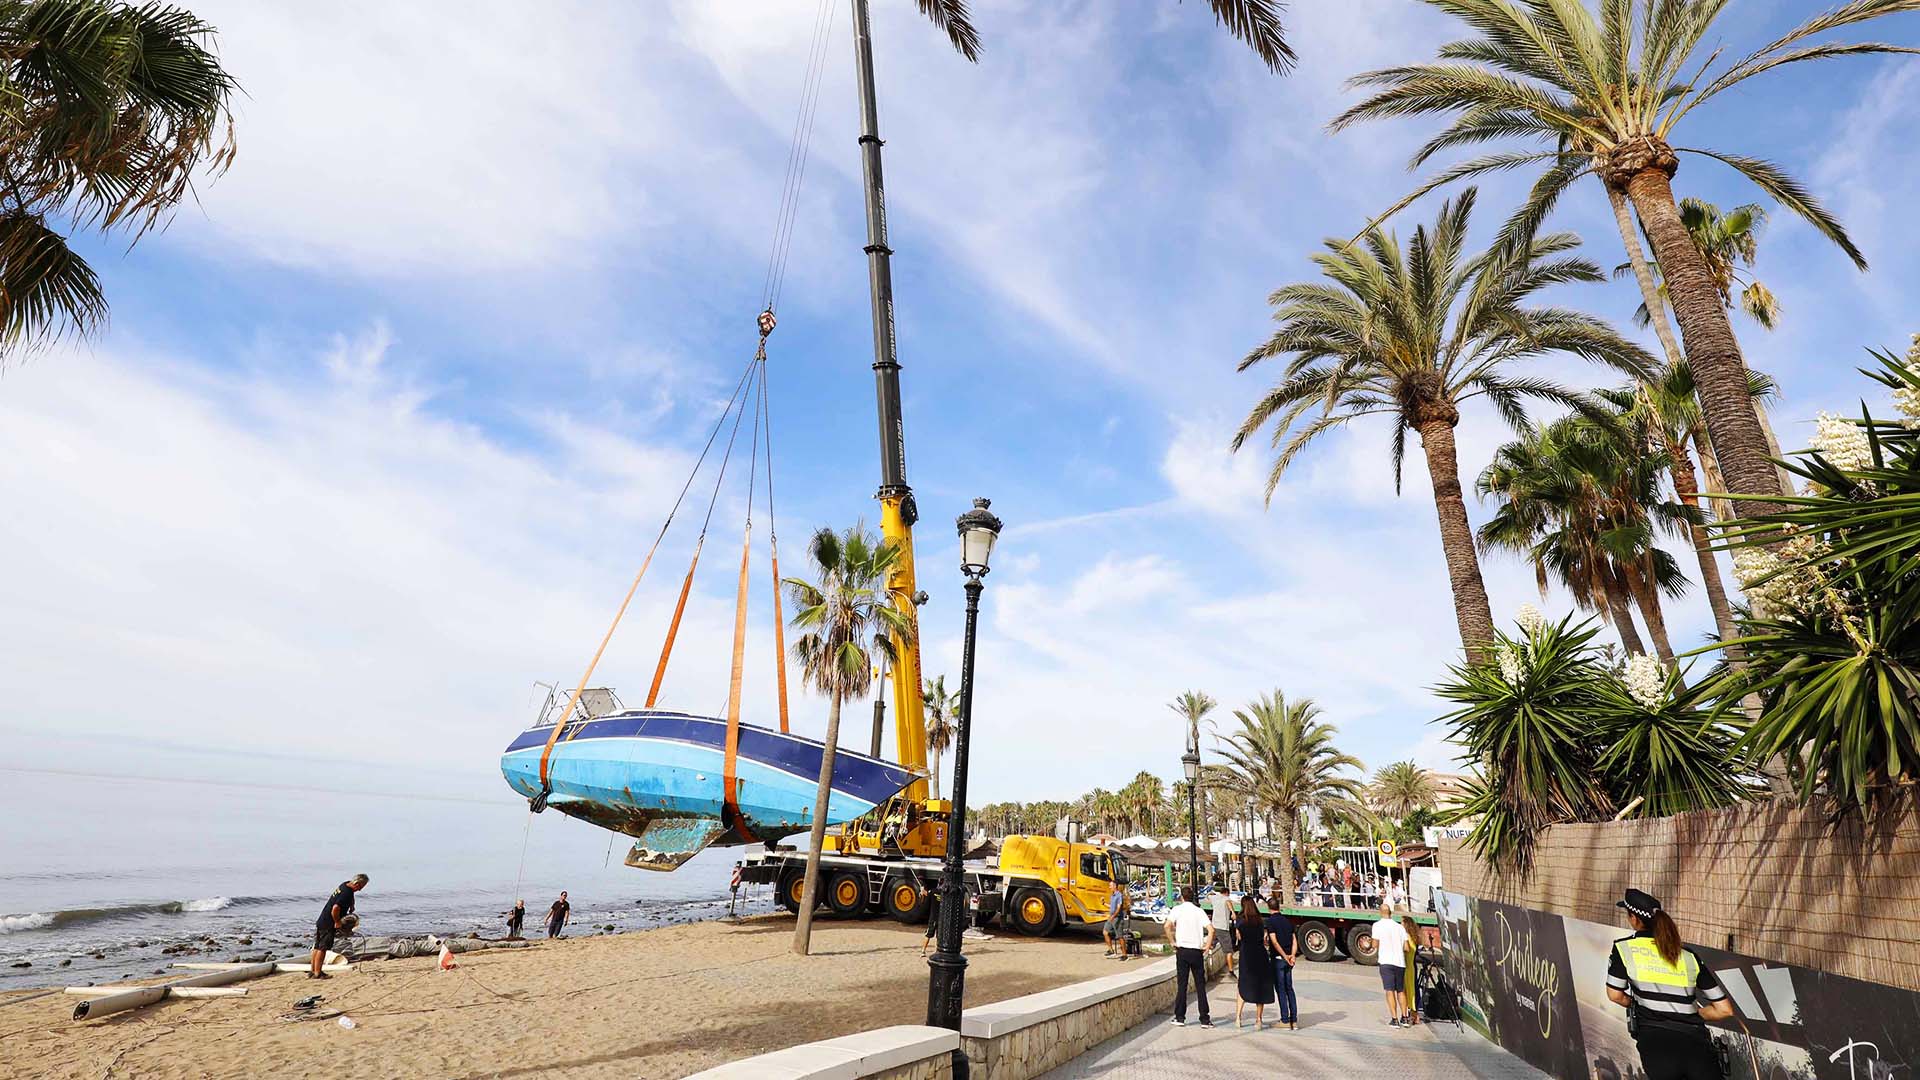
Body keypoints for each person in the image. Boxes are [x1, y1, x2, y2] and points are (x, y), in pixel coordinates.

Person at [1606, 889, 1734, 1079]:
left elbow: (1615, 994)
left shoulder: (1623, 949)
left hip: (1656, 1044)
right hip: (1696, 1044)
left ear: (1634, 919)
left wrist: (1638, 1005)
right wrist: (1691, 1014)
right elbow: (1724, 1010)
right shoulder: (1689, 956)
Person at [1163, 885, 1215, 1028]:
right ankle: (1205, 1019)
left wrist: (1172, 941)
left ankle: (1180, 1017)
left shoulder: (1177, 910)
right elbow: (1211, 930)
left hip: (1182, 950)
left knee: (1182, 985)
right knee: (1200, 986)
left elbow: (1167, 926)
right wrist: (1207, 945)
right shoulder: (1199, 911)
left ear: (1181, 897)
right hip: (1196, 951)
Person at [310, 874, 367, 979]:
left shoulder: (345, 885)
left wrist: (351, 905)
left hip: (322, 920)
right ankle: (318, 973)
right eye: (360, 887)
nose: (359, 890)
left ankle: (313, 970)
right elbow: (335, 908)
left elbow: (350, 895)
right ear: (357, 883)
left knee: (317, 946)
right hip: (329, 922)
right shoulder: (346, 893)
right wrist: (337, 922)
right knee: (323, 948)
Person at [1233, 894, 1275, 1028]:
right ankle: (1258, 1020)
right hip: (1260, 954)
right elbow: (1264, 938)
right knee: (1260, 986)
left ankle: (1238, 1019)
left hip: (1246, 954)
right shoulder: (1260, 921)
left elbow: (1238, 937)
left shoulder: (1240, 921)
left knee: (1243, 985)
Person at [1370, 901, 1413, 1028]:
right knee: (1401, 990)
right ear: (1390, 913)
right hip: (1400, 962)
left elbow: (1374, 944)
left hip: (1386, 962)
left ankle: (1394, 1019)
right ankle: (1405, 1017)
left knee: (1390, 991)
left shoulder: (1377, 925)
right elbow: (1406, 947)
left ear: (1380, 913)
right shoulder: (1400, 927)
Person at [1265, 903, 1299, 1030]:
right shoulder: (1287, 921)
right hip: (1290, 958)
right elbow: (1294, 940)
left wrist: (1284, 956)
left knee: (1281, 989)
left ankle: (1285, 1019)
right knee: (1289, 988)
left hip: (1279, 959)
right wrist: (1292, 955)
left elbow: (1274, 941)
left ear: (1269, 908)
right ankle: (1294, 1020)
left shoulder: (1270, 922)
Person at [1400, 913, 1423, 1025]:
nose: (1400, 924)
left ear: (1406, 925)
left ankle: (1411, 1015)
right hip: (1412, 967)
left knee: (1406, 991)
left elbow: (1406, 949)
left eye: (1402, 923)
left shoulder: (1406, 937)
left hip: (1406, 967)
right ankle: (1414, 1014)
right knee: (1413, 990)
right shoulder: (1414, 937)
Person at [1103, 881, 1131, 960]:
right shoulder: (1112, 896)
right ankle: (1111, 950)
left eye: (1110, 885)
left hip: (1117, 918)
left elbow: (1118, 908)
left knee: (1120, 937)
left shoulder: (1119, 895)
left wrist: (1113, 916)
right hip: (1111, 917)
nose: (1109, 887)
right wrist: (1104, 903)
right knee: (1105, 932)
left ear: (1115, 886)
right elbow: (1112, 907)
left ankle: (1124, 955)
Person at [1210, 888, 1236, 973]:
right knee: (1229, 951)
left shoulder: (1214, 898)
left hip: (1214, 926)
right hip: (1223, 927)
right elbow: (1228, 902)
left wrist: (1215, 894)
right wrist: (1233, 912)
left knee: (1211, 946)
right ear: (1226, 893)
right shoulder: (1226, 898)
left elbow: (1208, 895)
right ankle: (1231, 970)